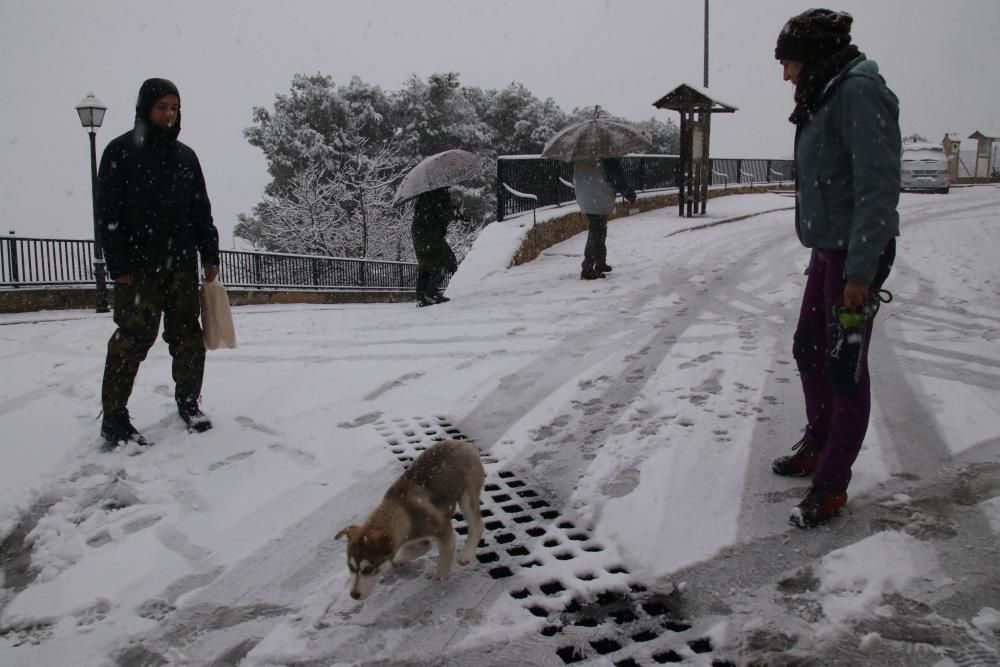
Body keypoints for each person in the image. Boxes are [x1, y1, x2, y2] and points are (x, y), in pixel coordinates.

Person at [771, 9, 900, 527]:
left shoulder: (858, 92)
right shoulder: (824, 93)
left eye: (792, 62)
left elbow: (877, 187)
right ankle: (818, 444)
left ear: (817, 55)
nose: (786, 75)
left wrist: (861, 274)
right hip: (828, 250)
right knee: (808, 348)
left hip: (857, 256)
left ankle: (831, 483)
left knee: (844, 368)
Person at [97, 78, 220, 448]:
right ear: (146, 108)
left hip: (181, 264)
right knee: (132, 339)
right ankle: (114, 417)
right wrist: (118, 264)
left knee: (187, 336)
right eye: (163, 107)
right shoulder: (120, 152)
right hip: (138, 269)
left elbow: (201, 209)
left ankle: (188, 402)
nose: (169, 114)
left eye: (175, 108)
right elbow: (107, 213)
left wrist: (209, 253)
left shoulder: (186, 157)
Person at [572, 158, 636, 280]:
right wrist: (629, 193)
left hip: (584, 196)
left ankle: (600, 261)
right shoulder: (607, 156)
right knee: (596, 230)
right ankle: (588, 267)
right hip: (600, 196)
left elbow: (575, 178)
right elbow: (618, 179)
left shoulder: (582, 155)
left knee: (599, 229)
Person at [411, 187, 463, 307]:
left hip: (419, 234)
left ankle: (420, 297)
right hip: (431, 235)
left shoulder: (424, 194)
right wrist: (455, 213)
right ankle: (431, 293)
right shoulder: (439, 193)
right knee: (446, 261)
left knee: (426, 264)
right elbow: (442, 214)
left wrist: (454, 213)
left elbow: (435, 212)